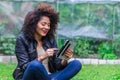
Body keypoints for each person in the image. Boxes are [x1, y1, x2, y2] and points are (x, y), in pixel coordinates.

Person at [13, 2, 82, 80]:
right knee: (35, 65)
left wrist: (65, 59)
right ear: (34, 24)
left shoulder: (50, 39)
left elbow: (57, 65)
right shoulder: (22, 39)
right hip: (30, 77)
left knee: (76, 63)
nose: (46, 27)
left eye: (48, 25)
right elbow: (24, 66)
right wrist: (43, 57)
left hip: (49, 76)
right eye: (43, 24)